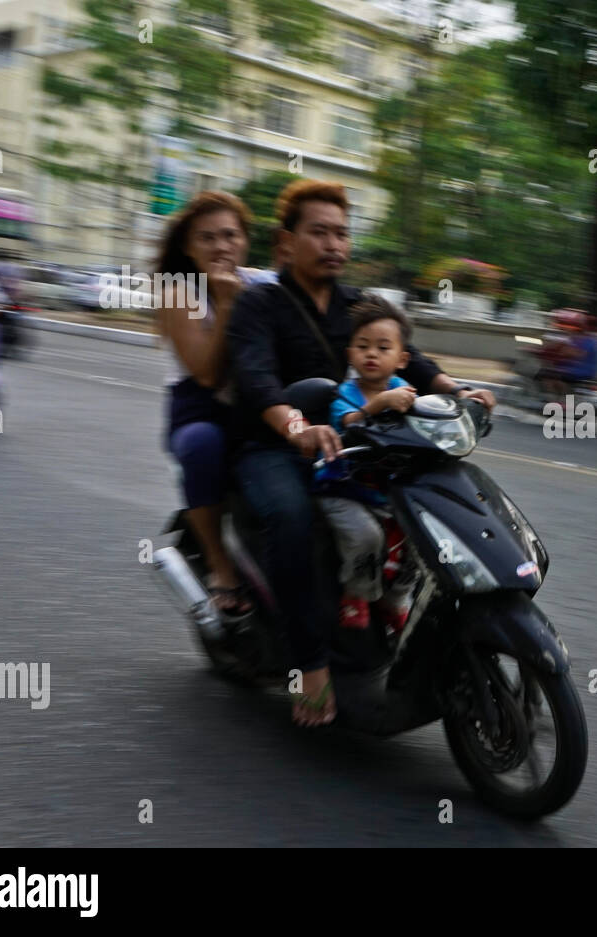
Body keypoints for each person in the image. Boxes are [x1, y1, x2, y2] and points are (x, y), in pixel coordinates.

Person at [226, 178, 495, 728]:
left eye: (341, 234)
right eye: (319, 232)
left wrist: (455, 390)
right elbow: (255, 379)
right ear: (287, 241)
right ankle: (311, 666)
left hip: (356, 446)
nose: (333, 244)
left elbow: (409, 356)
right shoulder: (261, 303)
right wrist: (296, 425)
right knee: (294, 518)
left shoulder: (357, 304)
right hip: (274, 445)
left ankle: (390, 618)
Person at [156, 191, 265, 617]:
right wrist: (226, 302)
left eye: (230, 235)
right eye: (207, 238)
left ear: (244, 240)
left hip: (256, 406)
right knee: (202, 445)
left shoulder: (263, 283)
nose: (221, 247)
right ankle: (220, 565)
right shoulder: (179, 293)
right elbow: (206, 373)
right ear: (188, 247)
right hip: (199, 409)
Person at [314, 298, 417, 631]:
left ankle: (396, 599)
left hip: (388, 490)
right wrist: (381, 403)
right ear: (350, 354)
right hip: (343, 488)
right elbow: (349, 423)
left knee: (422, 535)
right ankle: (356, 595)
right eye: (363, 346)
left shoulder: (405, 390)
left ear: (402, 359)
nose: (371, 354)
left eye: (383, 347)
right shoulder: (344, 394)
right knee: (365, 537)